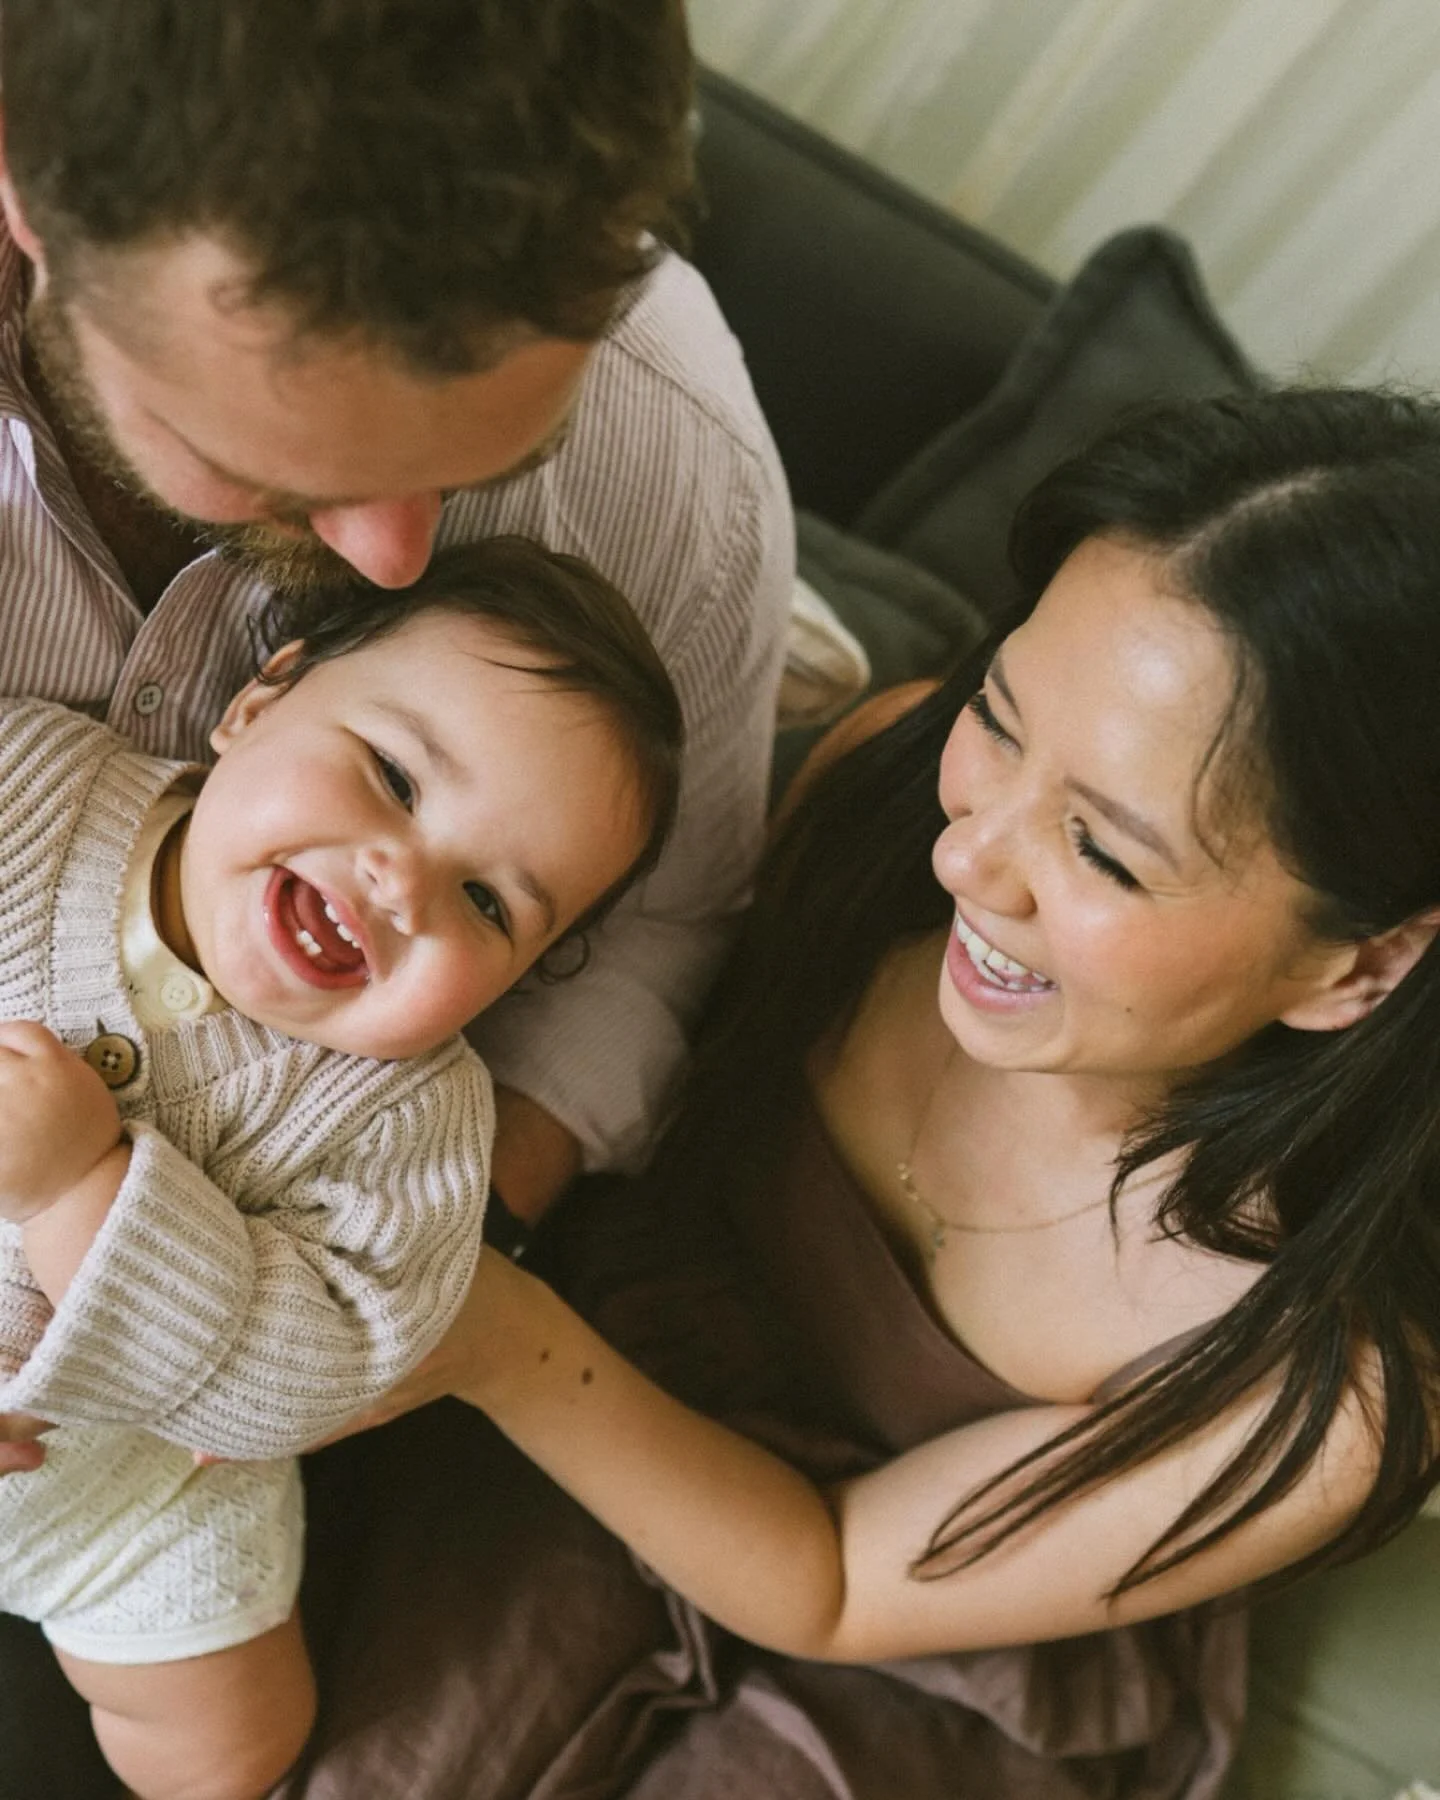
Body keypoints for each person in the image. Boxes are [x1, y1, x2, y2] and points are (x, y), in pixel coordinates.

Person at [282, 387, 1440, 1799]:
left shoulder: (1319, 1392)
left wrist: (490, 1334)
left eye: (1108, 856)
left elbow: (833, 1583)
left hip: (898, 1638)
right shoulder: (888, 788)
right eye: (1002, 720)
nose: (976, 863)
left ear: (1360, 964)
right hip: (601, 1364)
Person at [0, 535, 683, 1800]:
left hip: (124, 1494)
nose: (400, 882)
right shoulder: (28, 788)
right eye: (395, 778)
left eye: (489, 904)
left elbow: (314, 1375)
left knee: (234, 1743)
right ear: (259, 699)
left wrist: (78, 1195)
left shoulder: (411, 1124)